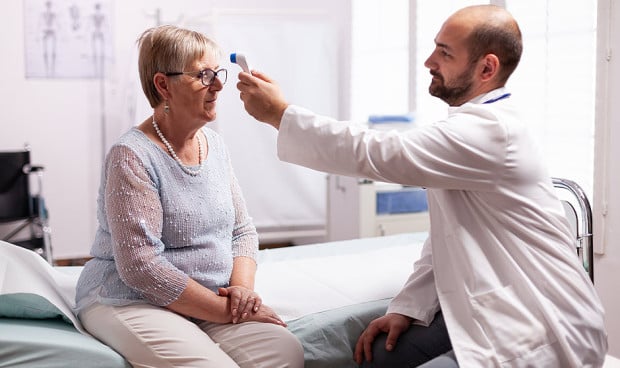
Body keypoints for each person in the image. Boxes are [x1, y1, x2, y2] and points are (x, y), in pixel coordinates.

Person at [235, 5, 608, 368]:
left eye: (444, 53)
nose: (429, 61)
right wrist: (406, 307)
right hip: (495, 312)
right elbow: (448, 239)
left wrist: (279, 114)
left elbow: (379, 151)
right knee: (380, 353)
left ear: (486, 68)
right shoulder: (471, 127)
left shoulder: (493, 131)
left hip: (541, 325)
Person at [75, 25, 304, 368]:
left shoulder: (215, 146)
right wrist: (227, 312)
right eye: (204, 75)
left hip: (210, 298)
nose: (219, 85)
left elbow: (242, 232)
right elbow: (141, 267)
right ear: (163, 85)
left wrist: (241, 292)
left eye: (217, 72)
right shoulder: (132, 155)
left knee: (283, 351)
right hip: (130, 299)